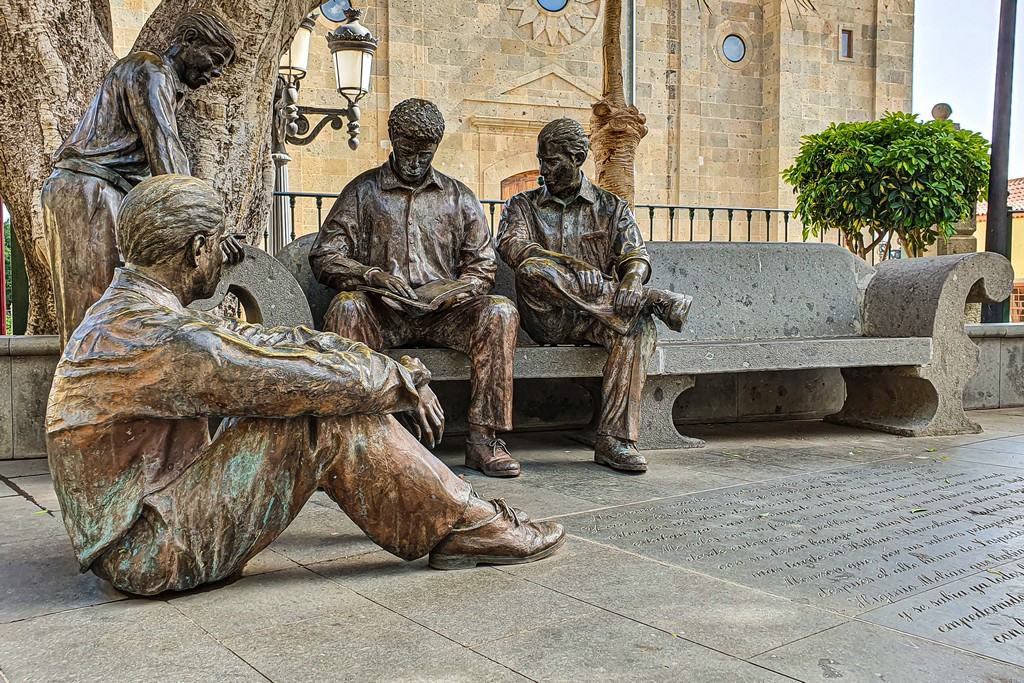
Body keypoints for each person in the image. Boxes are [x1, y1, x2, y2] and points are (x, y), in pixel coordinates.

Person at [45, 174, 564, 597]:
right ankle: (467, 525)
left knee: (318, 393)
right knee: (318, 418)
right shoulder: (157, 335)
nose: (226, 257)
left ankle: (463, 519)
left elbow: (274, 343)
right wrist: (394, 381)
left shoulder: (134, 313)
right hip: (146, 549)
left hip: (154, 517)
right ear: (198, 247)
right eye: (219, 245)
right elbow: (281, 375)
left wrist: (376, 366)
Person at [310, 99, 521, 478]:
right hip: (384, 312)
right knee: (346, 307)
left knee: (500, 311)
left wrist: (455, 289)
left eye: (424, 154)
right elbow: (325, 255)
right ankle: (345, 442)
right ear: (392, 139)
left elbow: (484, 265)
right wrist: (371, 277)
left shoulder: (459, 197)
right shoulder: (363, 192)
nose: (414, 162)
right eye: (407, 151)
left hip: (445, 316)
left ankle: (483, 440)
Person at [496, 118, 692, 473]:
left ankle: (614, 440)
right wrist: (571, 265)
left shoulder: (611, 207)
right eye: (541, 160)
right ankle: (654, 298)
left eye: (552, 161)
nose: (544, 170)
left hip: (596, 318)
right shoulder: (521, 206)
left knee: (638, 327)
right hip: (546, 317)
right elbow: (514, 248)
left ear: (578, 158)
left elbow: (635, 254)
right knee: (533, 268)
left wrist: (632, 281)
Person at [41, 11, 241, 345]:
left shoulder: (161, 81)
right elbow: (166, 152)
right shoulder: (150, 70)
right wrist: (211, 229)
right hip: (87, 190)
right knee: (92, 313)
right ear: (189, 40)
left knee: (114, 311)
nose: (216, 72)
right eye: (215, 59)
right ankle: (82, 392)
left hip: (106, 194)